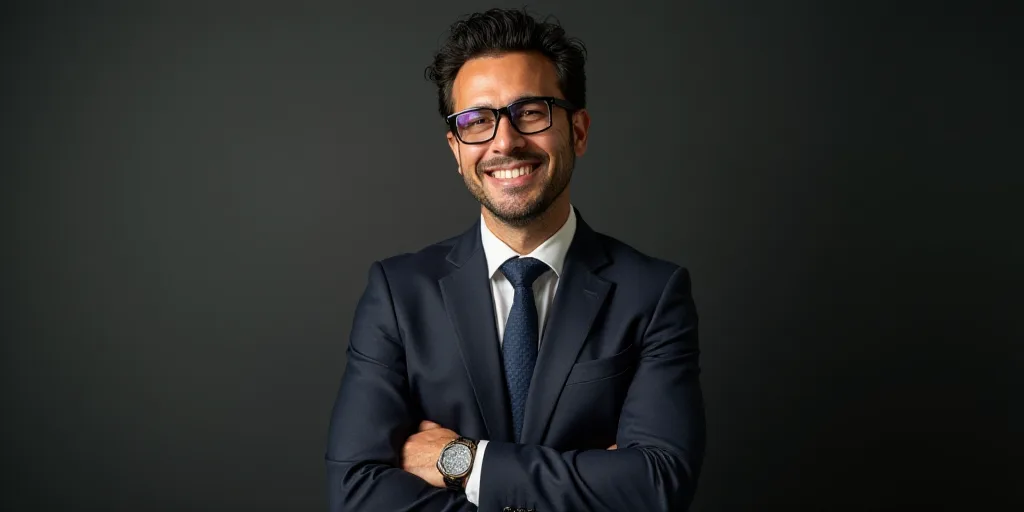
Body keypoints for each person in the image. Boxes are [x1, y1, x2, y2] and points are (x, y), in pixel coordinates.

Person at [325, 8, 705, 511]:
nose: (504, 142)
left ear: (578, 131)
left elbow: (657, 485)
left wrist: (466, 462)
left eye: (530, 112)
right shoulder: (397, 294)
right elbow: (355, 494)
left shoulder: (653, 295)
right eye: (477, 121)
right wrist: (593, 483)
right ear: (456, 149)